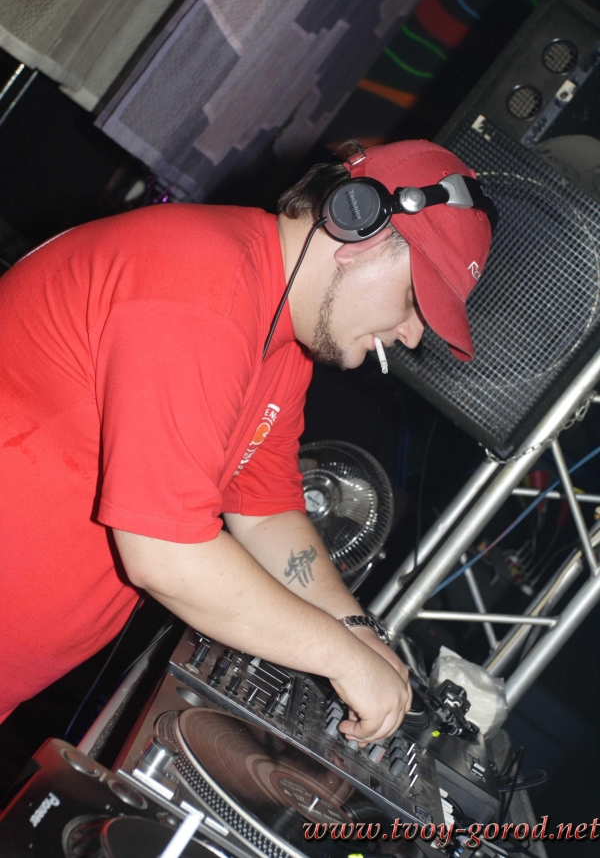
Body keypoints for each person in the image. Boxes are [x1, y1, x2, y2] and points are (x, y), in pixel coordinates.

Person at [0, 139, 492, 742]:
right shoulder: (201, 287)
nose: (413, 336)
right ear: (359, 225)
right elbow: (166, 553)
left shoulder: (280, 338)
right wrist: (342, 659)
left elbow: (264, 510)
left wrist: (356, 630)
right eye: (416, 299)